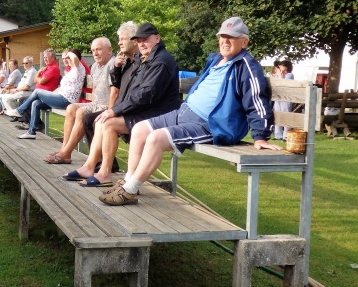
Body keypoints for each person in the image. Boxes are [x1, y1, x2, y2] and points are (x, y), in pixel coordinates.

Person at [98, 17, 281, 205]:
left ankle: (130, 190)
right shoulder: (216, 60)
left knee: (156, 138)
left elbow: (257, 100)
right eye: (222, 37)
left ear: (244, 42)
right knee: (139, 129)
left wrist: (260, 136)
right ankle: (128, 181)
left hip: (209, 124)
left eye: (231, 38)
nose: (225, 41)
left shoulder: (246, 66)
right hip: (183, 113)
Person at [63, 22, 181, 187]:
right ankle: (91, 167)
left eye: (145, 39)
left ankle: (104, 172)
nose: (142, 44)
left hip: (158, 114)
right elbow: (130, 89)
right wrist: (117, 72)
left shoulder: (160, 61)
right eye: (139, 41)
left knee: (107, 122)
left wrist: (115, 110)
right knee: (101, 121)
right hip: (145, 109)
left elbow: (146, 94)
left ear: (157, 38)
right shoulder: (145, 58)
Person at [43, 37, 115, 164]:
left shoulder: (113, 65)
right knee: (71, 108)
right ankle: (64, 149)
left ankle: (66, 154)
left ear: (109, 50)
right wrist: (92, 104)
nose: (95, 53)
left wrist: (109, 109)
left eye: (98, 49)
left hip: (106, 106)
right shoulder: (95, 67)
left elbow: (115, 92)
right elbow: (95, 90)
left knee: (81, 112)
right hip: (96, 104)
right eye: (93, 50)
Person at [6, 49, 86, 139]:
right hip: (61, 98)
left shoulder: (79, 68)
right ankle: (31, 132)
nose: (66, 60)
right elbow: (60, 88)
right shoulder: (71, 71)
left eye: (68, 58)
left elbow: (75, 58)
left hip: (67, 100)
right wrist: (50, 95)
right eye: (65, 58)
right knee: (35, 103)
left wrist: (69, 53)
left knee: (37, 92)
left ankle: (19, 111)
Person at [273, 59, 294, 140]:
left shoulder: (290, 75)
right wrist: (277, 74)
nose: (280, 67)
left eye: (281, 66)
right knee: (277, 115)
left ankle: (286, 135)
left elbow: (283, 83)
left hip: (286, 98)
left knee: (286, 114)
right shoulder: (278, 75)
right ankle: (277, 135)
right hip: (278, 97)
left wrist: (280, 75)